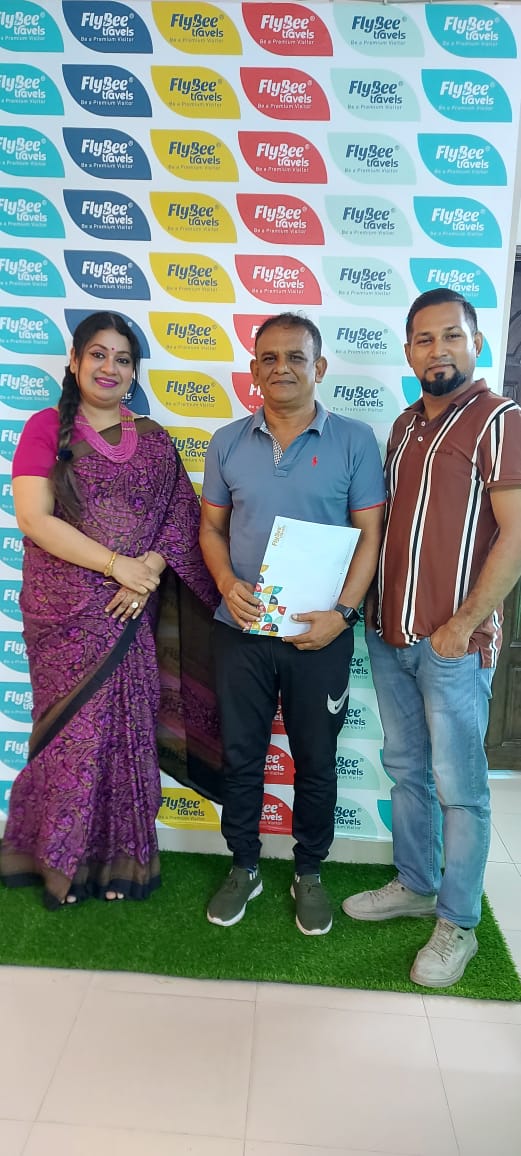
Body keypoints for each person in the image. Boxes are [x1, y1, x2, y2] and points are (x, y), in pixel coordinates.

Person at [0, 311, 217, 908]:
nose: (110, 368)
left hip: (130, 613)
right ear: (75, 361)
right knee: (73, 736)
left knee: (127, 733)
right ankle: (60, 865)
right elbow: (34, 518)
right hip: (63, 613)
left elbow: (179, 519)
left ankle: (121, 862)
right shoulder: (46, 428)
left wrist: (145, 573)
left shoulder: (154, 440)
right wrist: (117, 566)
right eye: (98, 354)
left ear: (133, 372)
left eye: (123, 359)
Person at [343, 288, 521, 986]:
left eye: (451, 335)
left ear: (476, 343)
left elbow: (515, 535)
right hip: (391, 636)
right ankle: (416, 884)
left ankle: (459, 923)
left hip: (452, 646)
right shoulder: (404, 425)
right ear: (409, 350)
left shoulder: (499, 420)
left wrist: (463, 624)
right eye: (424, 338)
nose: (437, 349)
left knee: (461, 789)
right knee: (406, 770)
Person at [200, 312, 386, 935]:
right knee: (241, 755)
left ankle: (309, 871)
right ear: (254, 370)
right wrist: (226, 583)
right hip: (240, 630)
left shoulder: (355, 440)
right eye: (269, 358)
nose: (281, 368)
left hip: (320, 635)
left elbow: (370, 536)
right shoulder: (226, 441)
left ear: (319, 367)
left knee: (316, 758)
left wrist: (343, 615)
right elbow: (211, 528)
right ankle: (244, 865)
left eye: (296, 357)